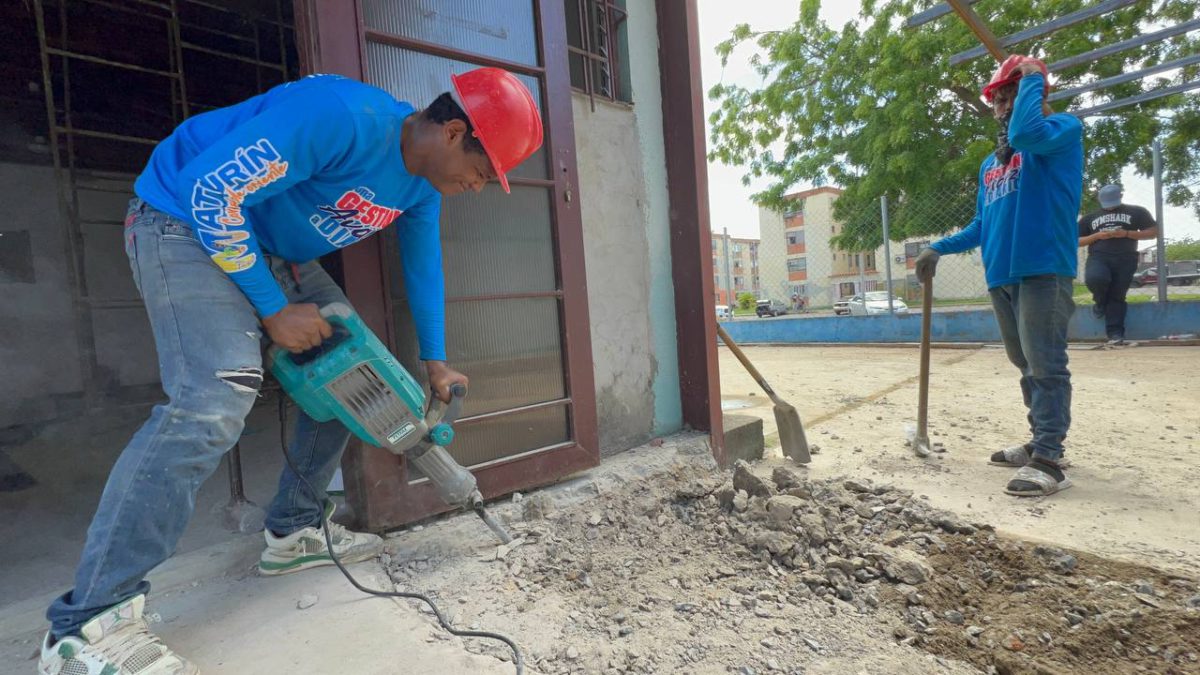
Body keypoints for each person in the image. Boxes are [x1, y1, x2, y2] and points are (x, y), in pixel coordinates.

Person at [38, 68, 543, 675]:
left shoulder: (422, 186)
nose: (479, 187)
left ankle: (293, 533)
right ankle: (88, 623)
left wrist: (434, 360)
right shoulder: (339, 116)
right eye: (484, 172)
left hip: (269, 249)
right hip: (180, 221)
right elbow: (209, 192)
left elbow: (422, 262)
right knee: (212, 400)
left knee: (354, 377)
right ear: (455, 132)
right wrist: (273, 309)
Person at [914, 55, 1083, 498]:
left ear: (1035, 94)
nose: (1003, 107)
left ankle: (1050, 459)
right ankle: (1039, 441)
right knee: (1024, 363)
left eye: (1011, 96)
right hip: (1002, 274)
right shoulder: (992, 163)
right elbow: (982, 223)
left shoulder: (1062, 132)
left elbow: (1027, 133)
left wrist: (1032, 78)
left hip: (1043, 268)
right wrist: (938, 248)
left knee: (1045, 363)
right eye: (998, 100)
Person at [1078, 184, 1158, 345]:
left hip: (1126, 258)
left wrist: (1126, 233)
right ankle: (1100, 301)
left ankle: (1115, 334)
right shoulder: (1089, 218)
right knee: (1095, 279)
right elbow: (1077, 241)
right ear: (1099, 199)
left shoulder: (1137, 212)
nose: (1110, 207)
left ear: (1121, 196)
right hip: (1099, 257)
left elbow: (1153, 232)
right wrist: (1097, 236)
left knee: (1117, 295)